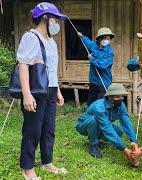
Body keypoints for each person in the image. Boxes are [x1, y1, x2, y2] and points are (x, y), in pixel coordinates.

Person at [17, 2, 67, 179]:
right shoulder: (31, 37)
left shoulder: (51, 42)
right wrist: (27, 94)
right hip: (35, 91)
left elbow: (51, 69)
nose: (57, 24)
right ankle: (27, 168)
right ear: (46, 18)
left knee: (48, 128)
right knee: (33, 129)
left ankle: (47, 162)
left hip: (51, 90)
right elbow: (23, 65)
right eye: (55, 19)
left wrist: (58, 91)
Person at [76, 83, 137, 162]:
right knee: (95, 120)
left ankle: (98, 139)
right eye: (118, 97)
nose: (121, 99)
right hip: (84, 126)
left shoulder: (121, 106)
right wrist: (125, 150)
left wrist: (134, 142)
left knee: (119, 131)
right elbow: (107, 129)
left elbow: (126, 123)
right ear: (110, 97)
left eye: (122, 96)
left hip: (102, 125)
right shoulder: (99, 107)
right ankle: (94, 145)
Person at [77, 27, 115, 106]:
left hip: (104, 82)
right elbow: (87, 42)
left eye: (108, 39)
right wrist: (82, 36)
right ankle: (90, 117)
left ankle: (101, 118)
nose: (107, 40)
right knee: (91, 103)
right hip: (94, 81)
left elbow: (102, 65)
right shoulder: (94, 45)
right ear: (99, 38)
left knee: (101, 105)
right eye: (105, 38)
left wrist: (92, 59)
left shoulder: (110, 52)